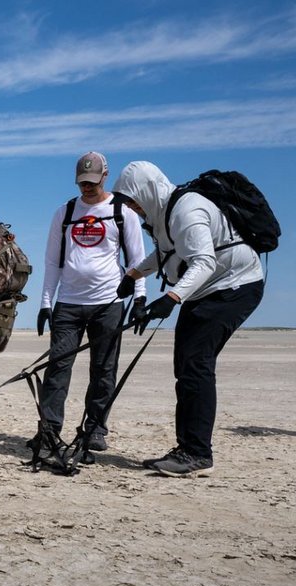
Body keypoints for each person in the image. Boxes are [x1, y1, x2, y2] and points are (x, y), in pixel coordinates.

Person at [113, 161, 265, 477]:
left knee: (196, 364)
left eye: (132, 199)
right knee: (185, 366)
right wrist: (134, 273)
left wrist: (170, 298)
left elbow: (204, 262)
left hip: (234, 287)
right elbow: (169, 253)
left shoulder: (187, 209)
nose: (131, 206)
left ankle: (196, 453)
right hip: (206, 291)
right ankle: (187, 448)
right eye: (127, 201)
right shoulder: (163, 216)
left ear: (147, 191)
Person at [36, 152, 147, 451]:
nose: (87, 188)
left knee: (103, 370)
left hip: (108, 303)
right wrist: (46, 302)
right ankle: (49, 429)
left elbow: (138, 260)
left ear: (105, 176)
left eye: (92, 183)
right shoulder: (65, 212)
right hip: (68, 303)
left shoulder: (123, 212)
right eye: (82, 183)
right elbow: (52, 262)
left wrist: (140, 298)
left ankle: (95, 429)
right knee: (57, 368)